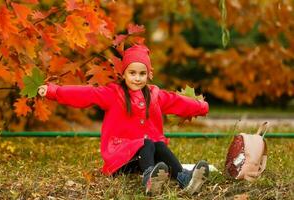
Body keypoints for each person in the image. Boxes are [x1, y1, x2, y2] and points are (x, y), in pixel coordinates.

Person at [38, 44, 210, 195]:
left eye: (142, 73)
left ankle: (184, 178)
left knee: (158, 144)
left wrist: (201, 107)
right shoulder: (113, 94)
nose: (137, 78)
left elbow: (177, 101)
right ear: (124, 73)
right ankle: (150, 178)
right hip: (120, 160)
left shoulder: (154, 95)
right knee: (147, 143)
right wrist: (54, 91)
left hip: (142, 157)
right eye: (132, 73)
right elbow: (84, 94)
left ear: (148, 74)